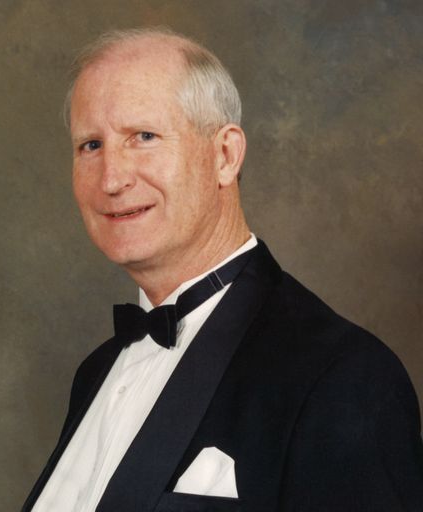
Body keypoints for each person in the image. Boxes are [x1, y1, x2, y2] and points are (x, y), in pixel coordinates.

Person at [22, 28, 423, 512]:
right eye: (90, 145)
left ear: (225, 156)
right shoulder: (95, 373)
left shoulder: (344, 378)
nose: (111, 178)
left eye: (144, 137)